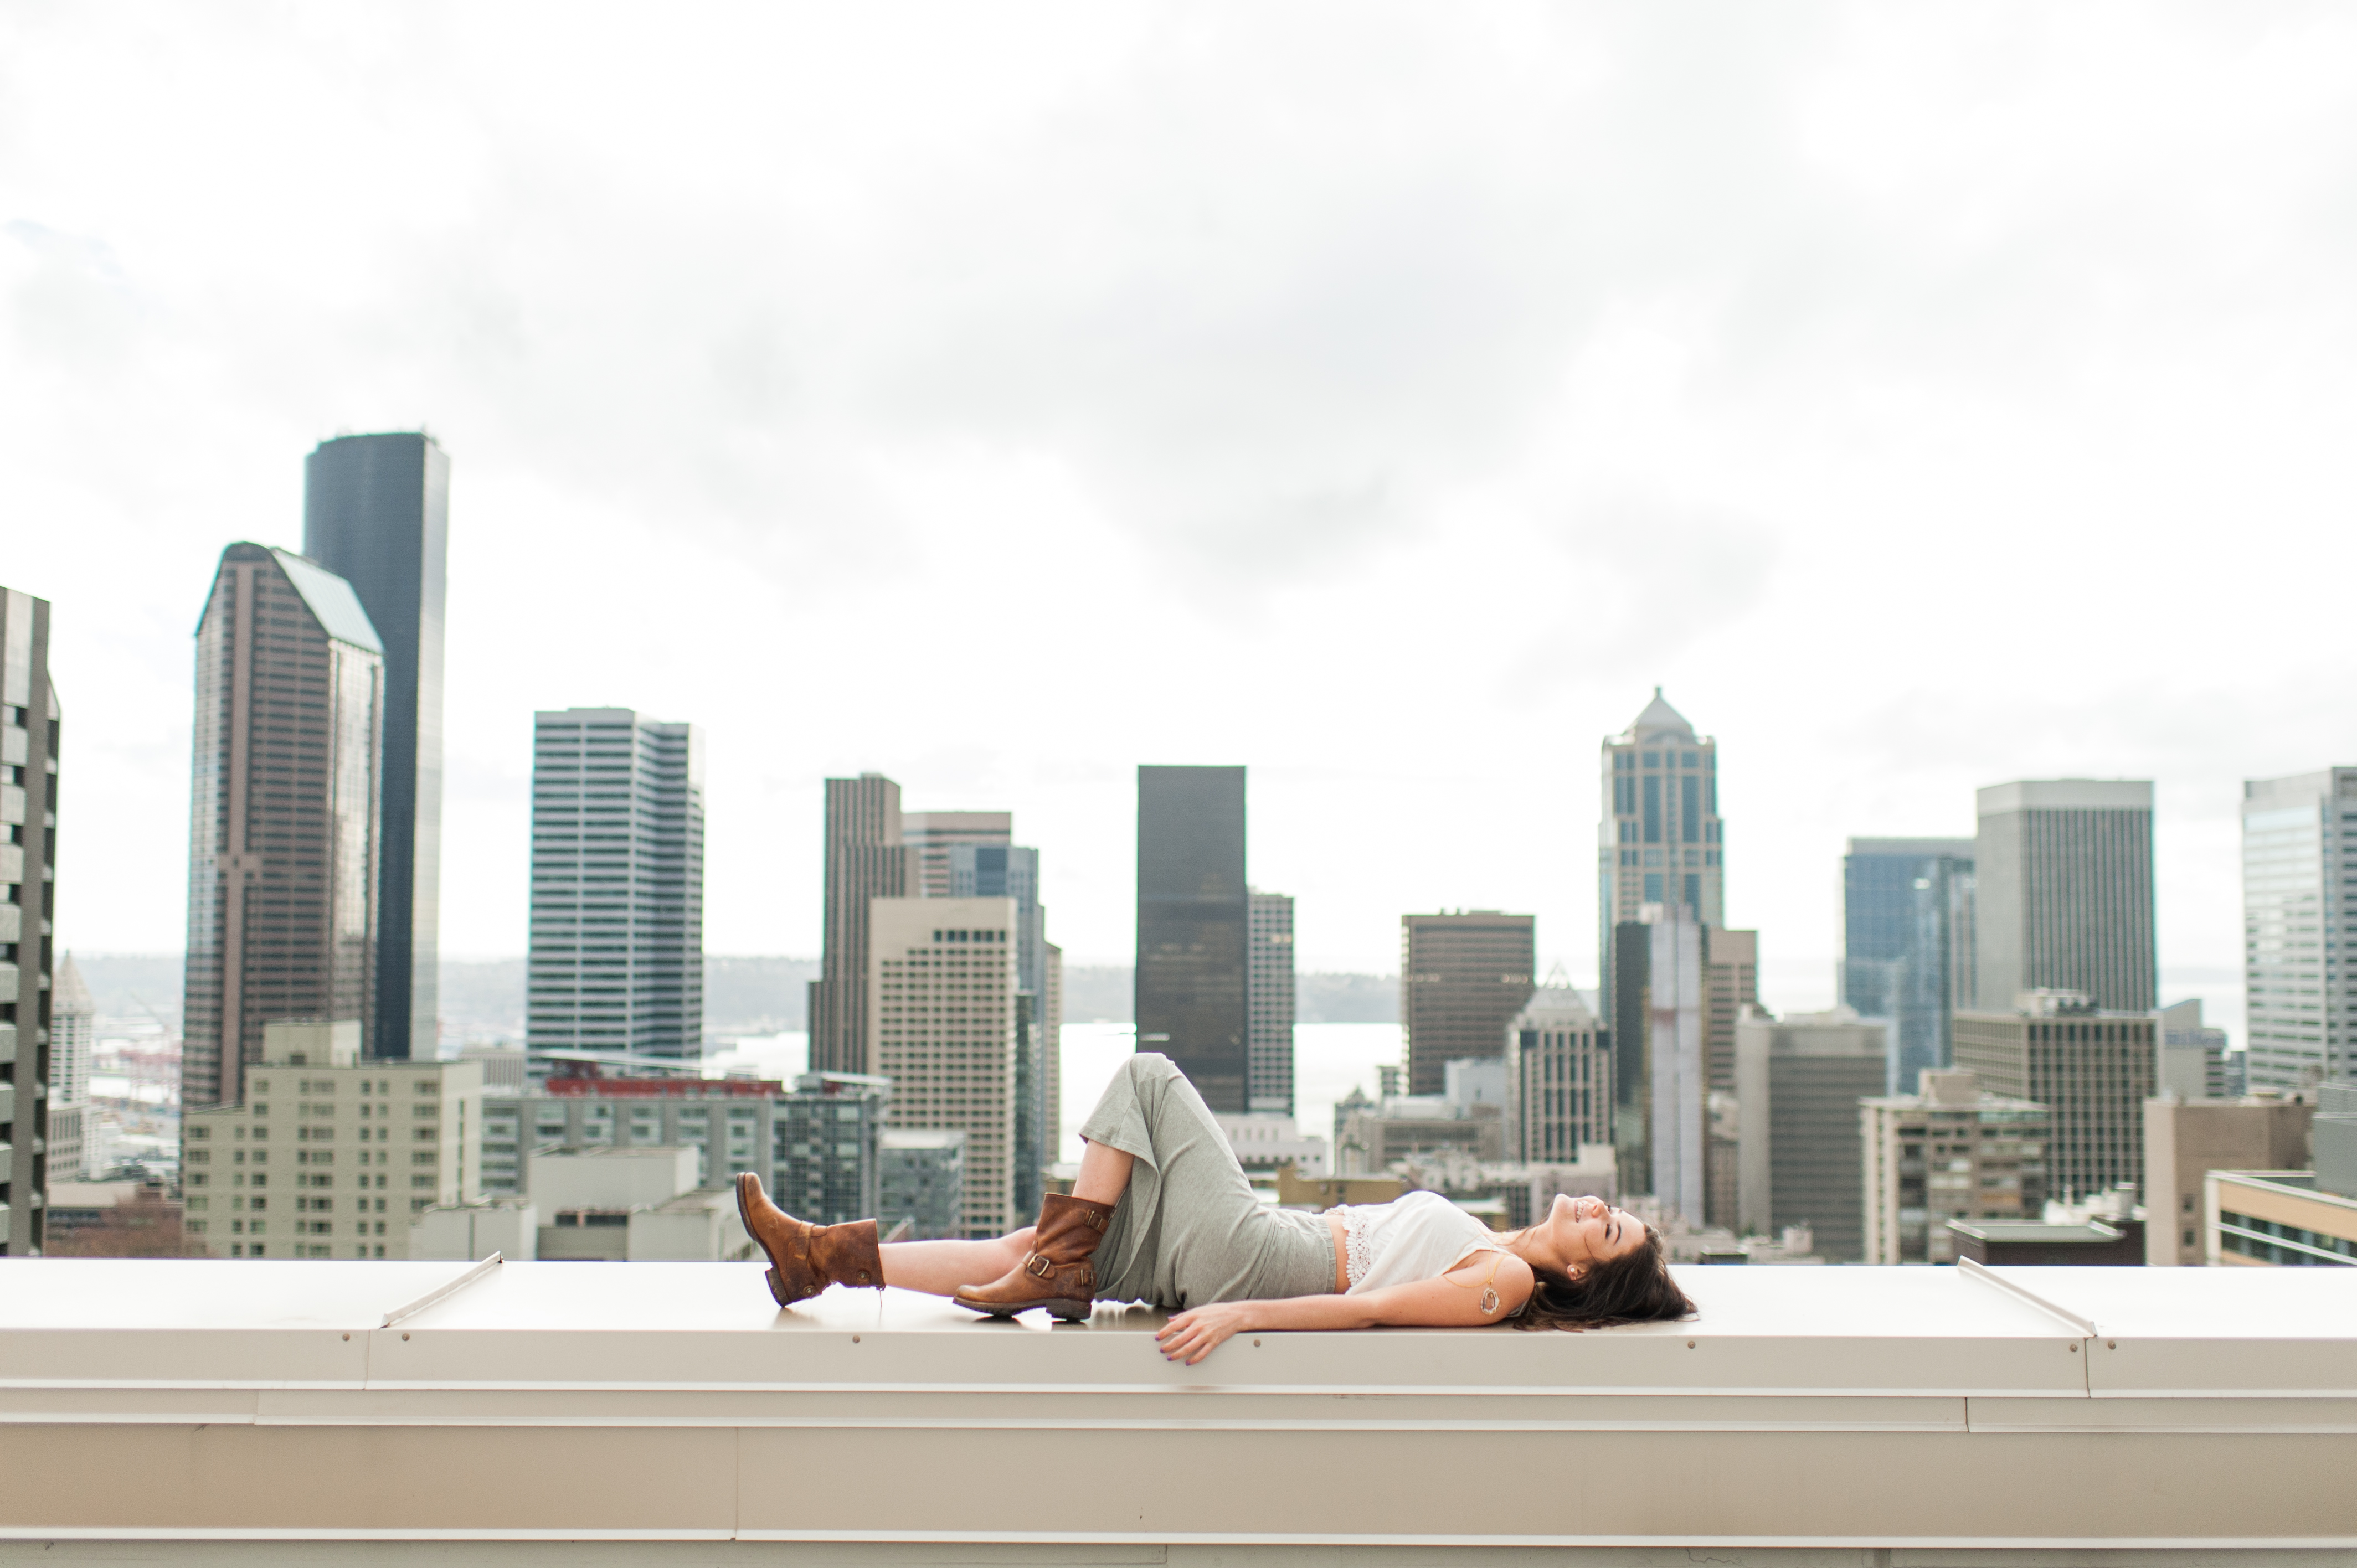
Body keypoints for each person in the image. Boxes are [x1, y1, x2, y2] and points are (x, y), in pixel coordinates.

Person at [735, 1052, 1694, 1363]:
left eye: (1607, 1230)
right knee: (1025, 1242)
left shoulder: (1505, 1278)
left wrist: (1240, 1312)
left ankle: (1058, 1269)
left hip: (1261, 1259)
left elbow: (1368, 1310)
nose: (1598, 1207)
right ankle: (814, 1257)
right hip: (1248, 1250)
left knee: (1149, 1077)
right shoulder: (1497, 1245)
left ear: (1580, 1272)